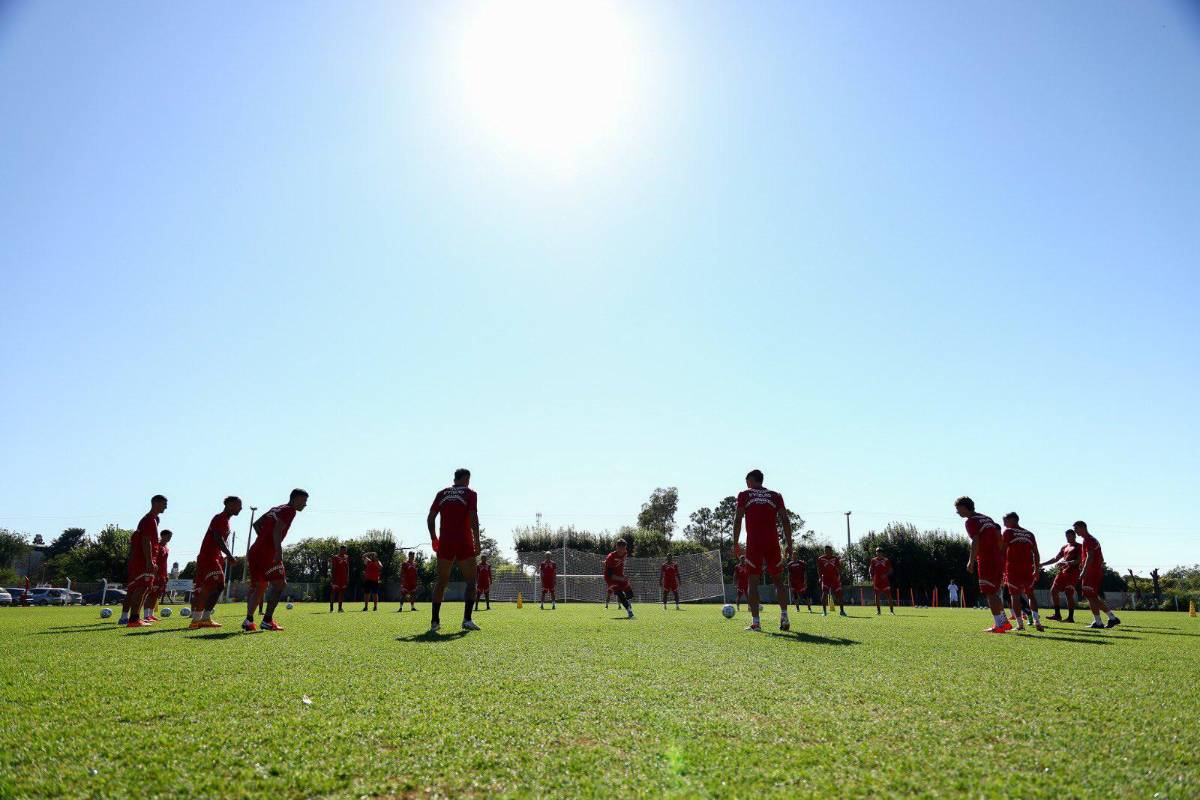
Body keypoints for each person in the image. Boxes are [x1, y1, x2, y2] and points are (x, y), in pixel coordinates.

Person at [732, 469, 795, 632]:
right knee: (778, 580)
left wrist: (735, 542)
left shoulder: (744, 495)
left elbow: (738, 519)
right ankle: (784, 617)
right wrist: (789, 543)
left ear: (751, 480)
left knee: (752, 581)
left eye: (747, 481)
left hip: (754, 542)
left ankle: (756, 623)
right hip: (772, 542)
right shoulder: (775, 495)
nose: (746, 484)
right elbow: (785, 520)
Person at [243, 488, 308, 632]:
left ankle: (249, 620)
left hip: (255, 551)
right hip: (268, 553)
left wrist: (263, 539)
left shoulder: (276, 509)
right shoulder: (289, 510)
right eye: (304, 501)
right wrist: (277, 550)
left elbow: (257, 524)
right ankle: (267, 620)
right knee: (280, 585)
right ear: (295, 498)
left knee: (260, 586)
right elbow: (277, 530)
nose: (305, 504)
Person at [427, 468, 481, 633]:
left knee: (441, 581)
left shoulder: (442, 493)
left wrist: (434, 538)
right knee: (471, 582)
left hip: (446, 542)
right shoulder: (470, 493)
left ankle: (434, 622)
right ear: (466, 478)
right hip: (463, 542)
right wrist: (477, 541)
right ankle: (467, 620)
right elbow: (473, 517)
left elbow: (430, 517)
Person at [956, 496, 1009, 633]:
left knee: (989, 592)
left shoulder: (971, 521)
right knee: (994, 592)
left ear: (964, 507)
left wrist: (971, 561)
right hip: (997, 558)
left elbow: (975, 541)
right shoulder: (987, 518)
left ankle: (999, 625)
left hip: (987, 558)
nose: (957, 512)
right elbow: (1000, 538)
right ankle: (1005, 622)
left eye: (958, 508)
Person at [189, 496, 242, 629]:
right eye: (238, 505)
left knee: (217, 586)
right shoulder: (220, 518)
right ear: (229, 504)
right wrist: (229, 555)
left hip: (214, 557)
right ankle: (196, 620)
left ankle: (204, 618)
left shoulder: (226, 520)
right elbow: (217, 538)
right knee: (212, 586)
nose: (240, 508)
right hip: (209, 557)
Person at [121, 495, 166, 627]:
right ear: (156, 503)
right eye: (164, 504)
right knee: (141, 587)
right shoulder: (149, 520)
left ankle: (135, 618)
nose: (166, 507)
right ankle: (133, 619)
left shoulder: (153, 520)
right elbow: (146, 540)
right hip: (143, 559)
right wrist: (149, 560)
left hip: (144, 558)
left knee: (143, 588)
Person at [1001, 512, 1043, 632]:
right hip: (1027, 570)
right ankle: (1036, 621)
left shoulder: (1008, 532)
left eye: (1005, 520)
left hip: (1013, 569)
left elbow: (1002, 551)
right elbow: (1036, 553)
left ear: (1012, 520)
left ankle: (1020, 625)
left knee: (1014, 596)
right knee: (1031, 595)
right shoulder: (1029, 534)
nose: (1004, 523)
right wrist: (1036, 569)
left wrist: (1001, 569)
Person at [1075, 521, 1120, 629]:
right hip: (1094, 571)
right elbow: (1100, 558)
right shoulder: (1090, 540)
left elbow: (1090, 557)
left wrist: (1084, 571)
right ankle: (1107, 619)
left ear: (1083, 528)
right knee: (1092, 596)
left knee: (1091, 596)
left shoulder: (1088, 540)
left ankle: (1103, 621)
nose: (1075, 531)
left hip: (1091, 573)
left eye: (1076, 528)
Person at [1041, 529, 1081, 623]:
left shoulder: (1079, 546)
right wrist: (1042, 564)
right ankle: (1057, 615)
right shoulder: (1064, 547)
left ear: (1074, 536)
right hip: (1063, 572)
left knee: (1068, 594)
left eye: (1070, 536)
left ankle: (1070, 617)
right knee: (1053, 591)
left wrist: (1066, 562)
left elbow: (1079, 560)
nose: (1068, 538)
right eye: (1066, 536)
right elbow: (1056, 558)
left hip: (1072, 573)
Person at [143, 529, 172, 622]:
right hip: (155, 573)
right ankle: (146, 615)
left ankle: (151, 614)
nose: (169, 538)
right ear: (162, 536)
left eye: (170, 537)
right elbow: (154, 560)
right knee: (151, 593)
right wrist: (154, 573)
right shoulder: (157, 546)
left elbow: (165, 563)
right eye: (168, 536)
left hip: (162, 574)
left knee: (156, 595)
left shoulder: (166, 548)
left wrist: (166, 574)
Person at [604, 539, 635, 619]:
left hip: (620, 575)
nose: (623, 550)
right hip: (610, 578)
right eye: (620, 548)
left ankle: (628, 605)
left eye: (624, 548)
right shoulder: (611, 557)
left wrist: (622, 577)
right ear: (616, 547)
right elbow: (610, 575)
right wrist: (621, 578)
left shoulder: (625, 553)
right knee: (619, 593)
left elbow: (619, 562)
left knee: (630, 592)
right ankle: (629, 611)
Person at [816, 546, 846, 617]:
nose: (827, 552)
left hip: (834, 579)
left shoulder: (835, 558)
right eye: (826, 550)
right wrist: (820, 578)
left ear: (831, 551)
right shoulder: (821, 559)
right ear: (825, 551)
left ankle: (842, 611)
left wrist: (839, 577)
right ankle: (824, 611)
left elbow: (838, 568)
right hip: (825, 579)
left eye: (829, 550)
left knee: (840, 594)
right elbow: (819, 569)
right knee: (824, 593)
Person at [869, 547, 894, 615]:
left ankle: (891, 611)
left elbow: (891, 570)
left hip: (885, 581)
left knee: (889, 596)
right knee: (877, 596)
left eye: (880, 551)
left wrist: (885, 575)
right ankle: (878, 611)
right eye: (877, 551)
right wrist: (871, 576)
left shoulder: (886, 560)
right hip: (876, 581)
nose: (879, 553)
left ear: (882, 553)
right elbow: (870, 568)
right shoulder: (873, 560)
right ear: (876, 552)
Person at [330, 545, 349, 613]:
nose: (344, 551)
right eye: (342, 550)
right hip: (336, 578)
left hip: (343, 578)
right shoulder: (335, 557)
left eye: (345, 550)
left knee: (342, 592)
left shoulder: (346, 557)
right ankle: (331, 608)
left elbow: (347, 568)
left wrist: (347, 578)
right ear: (340, 550)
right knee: (334, 592)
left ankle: (340, 608)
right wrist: (332, 579)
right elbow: (333, 568)